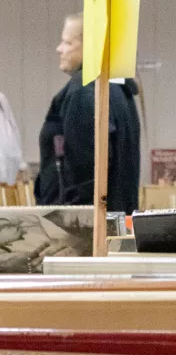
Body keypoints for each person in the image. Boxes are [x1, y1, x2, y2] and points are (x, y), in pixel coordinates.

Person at [34, 13, 141, 214]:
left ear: (90, 45)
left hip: (81, 228)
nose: (59, 49)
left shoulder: (83, 91)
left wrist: (73, 223)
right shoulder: (118, 90)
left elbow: (84, 173)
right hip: (116, 218)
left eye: (67, 42)